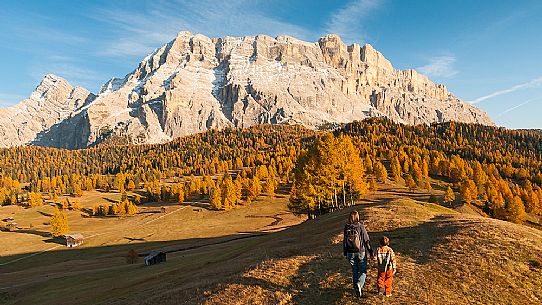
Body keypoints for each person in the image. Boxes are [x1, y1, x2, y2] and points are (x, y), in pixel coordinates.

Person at [343, 210, 373, 298]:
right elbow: (366, 240)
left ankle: (356, 289)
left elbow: (345, 240)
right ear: (357, 217)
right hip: (361, 252)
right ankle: (359, 284)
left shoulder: (346, 227)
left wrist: (345, 252)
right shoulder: (360, 226)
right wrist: (370, 251)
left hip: (350, 252)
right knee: (363, 270)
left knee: (354, 270)